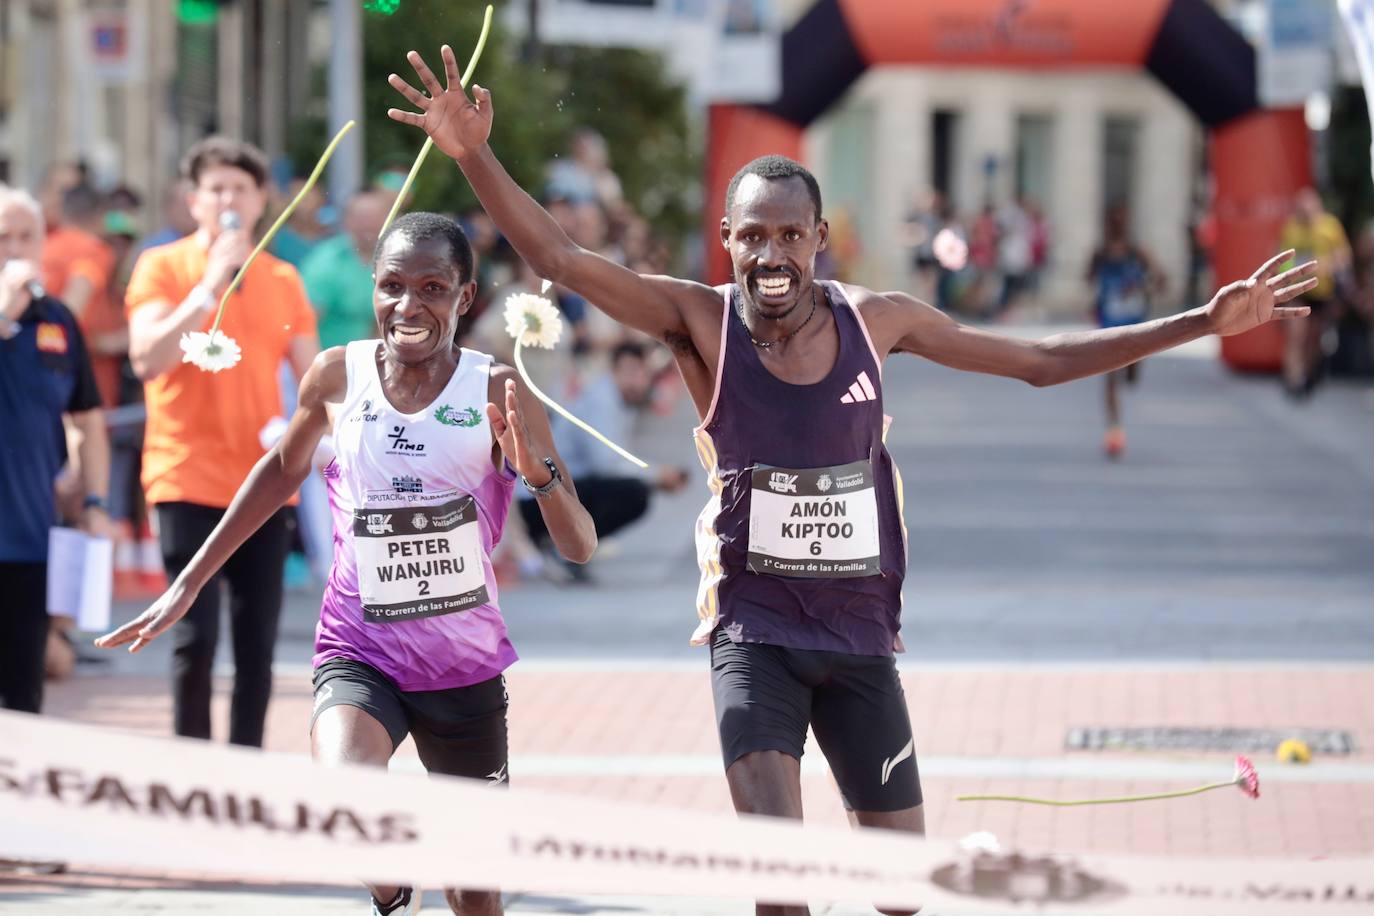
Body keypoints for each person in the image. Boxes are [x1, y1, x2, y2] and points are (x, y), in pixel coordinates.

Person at [386, 47, 1317, 916]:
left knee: (899, 893)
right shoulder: (697, 322)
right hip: (753, 635)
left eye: (790, 234)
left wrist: (1198, 320)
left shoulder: (878, 319)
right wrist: (474, 155)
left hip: (861, 637)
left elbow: (1039, 358)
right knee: (780, 885)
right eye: (753, 236)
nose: (772, 256)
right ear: (727, 240)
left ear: (820, 238)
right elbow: (559, 260)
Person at [99, 211, 597, 916]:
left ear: (465, 296)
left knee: (477, 898)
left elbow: (578, 544)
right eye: (392, 285)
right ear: (373, 287)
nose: (408, 305)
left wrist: (535, 476)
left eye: (432, 287)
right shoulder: (339, 375)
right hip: (359, 646)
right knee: (344, 800)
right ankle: (396, 894)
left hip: (463, 663)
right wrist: (190, 580)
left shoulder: (494, 390)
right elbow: (279, 468)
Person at [123, 136, 320, 748]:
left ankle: (246, 770)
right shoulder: (162, 266)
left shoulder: (283, 278)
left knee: (255, 642)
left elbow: (315, 378)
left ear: (262, 200)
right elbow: (145, 356)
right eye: (216, 188)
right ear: (193, 200)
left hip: (262, 482)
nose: (228, 198)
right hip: (184, 473)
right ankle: (192, 768)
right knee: (193, 635)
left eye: (240, 187)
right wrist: (209, 285)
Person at [0, 184, 112, 713]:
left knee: (24, 703)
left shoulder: (57, 320)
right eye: (4, 237)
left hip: (28, 540)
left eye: (27, 237)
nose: (16, 249)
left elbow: (88, 418)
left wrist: (93, 502)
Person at [518, 340, 689, 577]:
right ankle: (565, 549)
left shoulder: (619, 400)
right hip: (537, 499)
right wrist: (657, 475)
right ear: (613, 371)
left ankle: (562, 546)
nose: (635, 380)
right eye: (628, 372)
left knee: (634, 489)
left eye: (641, 372)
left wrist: (656, 474)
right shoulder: (602, 400)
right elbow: (605, 465)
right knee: (634, 493)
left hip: (559, 489)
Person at [1087, 205, 1166, 459]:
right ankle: (1114, 432)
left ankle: (1131, 371)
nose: (1117, 227)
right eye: (1114, 222)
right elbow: (1088, 278)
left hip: (1134, 323)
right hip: (1109, 323)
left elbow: (1162, 279)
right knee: (1110, 378)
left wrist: (1143, 290)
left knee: (1130, 376)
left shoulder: (1137, 253)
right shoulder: (1100, 254)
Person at [1278, 187, 1353, 398]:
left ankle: (1309, 375)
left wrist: (1335, 270)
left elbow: (1344, 255)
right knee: (1296, 336)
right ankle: (1293, 379)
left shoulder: (1330, 227)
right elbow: (1281, 257)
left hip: (1322, 293)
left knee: (1314, 339)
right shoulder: (1291, 228)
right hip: (1298, 292)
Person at [301, 190, 397, 348]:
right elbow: (306, 321)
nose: (368, 223)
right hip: (326, 359)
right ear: (347, 221)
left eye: (375, 216)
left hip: (374, 358)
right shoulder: (327, 260)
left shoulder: (396, 259)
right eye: (362, 217)